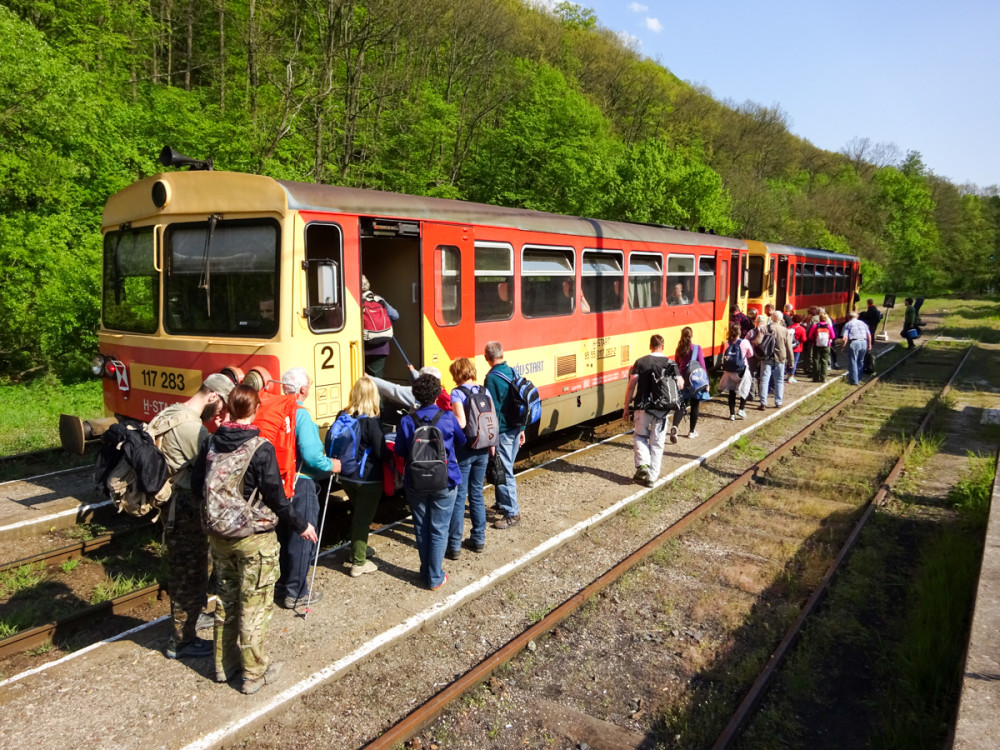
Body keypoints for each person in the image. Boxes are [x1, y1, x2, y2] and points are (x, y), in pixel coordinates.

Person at [192, 384, 318, 694]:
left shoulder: (210, 442)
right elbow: (276, 496)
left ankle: (224, 665)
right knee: (254, 604)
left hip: (219, 537)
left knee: (226, 600)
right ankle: (253, 673)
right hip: (252, 540)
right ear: (255, 409)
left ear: (229, 409)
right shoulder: (260, 447)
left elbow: (198, 487)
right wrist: (301, 524)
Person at [154, 373, 234, 660]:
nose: (222, 412)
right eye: (222, 405)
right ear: (213, 396)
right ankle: (181, 642)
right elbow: (211, 470)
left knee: (185, 567)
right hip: (185, 507)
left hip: (171, 503)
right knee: (189, 572)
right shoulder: (194, 429)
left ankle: (189, 622)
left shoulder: (171, 413)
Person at [394, 373, 466, 589]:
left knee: (421, 527)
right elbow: (461, 441)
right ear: (437, 395)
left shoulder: (407, 420)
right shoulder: (448, 417)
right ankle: (434, 577)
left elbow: (399, 450)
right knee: (439, 528)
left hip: (416, 481)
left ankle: (426, 571)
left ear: (416, 395)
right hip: (446, 479)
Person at [274, 367, 338, 609]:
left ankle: (282, 583)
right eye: (309, 386)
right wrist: (331, 464)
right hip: (300, 481)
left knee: (282, 534)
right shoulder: (301, 414)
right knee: (303, 536)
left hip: (278, 482)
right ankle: (297, 592)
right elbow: (311, 455)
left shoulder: (275, 410)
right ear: (302, 390)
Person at [337, 376, 392, 578]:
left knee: (358, 514)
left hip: (345, 476)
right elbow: (380, 453)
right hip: (367, 479)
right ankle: (358, 563)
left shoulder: (342, 415)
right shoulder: (372, 422)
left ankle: (358, 549)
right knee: (362, 519)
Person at [622, 334, 684, 486]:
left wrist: (626, 406)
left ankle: (643, 464)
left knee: (640, 436)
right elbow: (680, 384)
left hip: (642, 408)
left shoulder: (641, 362)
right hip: (661, 410)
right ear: (662, 346)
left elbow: (632, 384)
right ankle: (651, 478)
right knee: (657, 443)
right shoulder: (671, 363)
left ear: (650, 346)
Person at [447, 357, 493, 556]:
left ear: (457, 374)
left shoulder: (457, 393)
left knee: (459, 496)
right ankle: (479, 538)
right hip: (483, 446)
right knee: (476, 493)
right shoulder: (485, 390)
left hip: (465, 449)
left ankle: (455, 545)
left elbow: (462, 423)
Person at [483, 341, 524, 529]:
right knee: (503, 468)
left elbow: (492, 410)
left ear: (487, 358)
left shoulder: (491, 378)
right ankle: (501, 503)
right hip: (516, 428)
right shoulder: (511, 371)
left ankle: (512, 512)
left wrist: (490, 437)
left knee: (504, 470)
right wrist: (522, 429)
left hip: (504, 431)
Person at [362, 275, 400, 379]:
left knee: (364, 382)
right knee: (377, 382)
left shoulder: (356, 300)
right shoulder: (378, 299)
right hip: (381, 348)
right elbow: (395, 315)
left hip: (365, 347)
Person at [757, 311, 794, 410]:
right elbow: (789, 347)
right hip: (780, 357)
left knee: (764, 380)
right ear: (781, 320)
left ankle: (763, 403)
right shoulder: (785, 330)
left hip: (766, 357)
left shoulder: (764, 329)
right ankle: (778, 402)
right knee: (779, 379)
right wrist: (791, 361)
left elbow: (758, 342)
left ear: (771, 318)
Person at [674, 327, 707, 438]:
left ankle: (675, 427)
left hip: (683, 381)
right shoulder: (697, 348)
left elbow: (676, 365)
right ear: (691, 336)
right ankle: (691, 432)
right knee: (695, 405)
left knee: (681, 405)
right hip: (694, 381)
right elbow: (702, 366)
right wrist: (706, 382)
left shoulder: (679, 349)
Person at [718, 322, 755, 420]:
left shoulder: (726, 343)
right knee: (745, 389)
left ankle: (732, 414)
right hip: (742, 370)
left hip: (729, 371)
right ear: (739, 332)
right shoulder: (745, 342)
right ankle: (741, 409)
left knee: (731, 392)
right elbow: (751, 354)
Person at [841, 310, 872, 386]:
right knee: (861, 361)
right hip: (864, 342)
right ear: (856, 316)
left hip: (854, 343)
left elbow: (844, 338)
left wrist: (843, 347)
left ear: (848, 317)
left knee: (853, 362)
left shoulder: (848, 324)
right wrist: (869, 344)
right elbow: (869, 335)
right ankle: (859, 378)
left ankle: (854, 381)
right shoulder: (863, 323)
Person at [809, 313, 836, 381]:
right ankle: (823, 378)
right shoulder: (828, 326)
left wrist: (814, 340)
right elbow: (833, 336)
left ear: (819, 318)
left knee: (816, 361)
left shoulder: (815, 326)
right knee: (824, 361)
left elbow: (810, 336)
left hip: (816, 345)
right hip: (826, 346)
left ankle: (815, 378)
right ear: (826, 319)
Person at [788, 314, 807, 383]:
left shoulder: (789, 327)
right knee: (794, 362)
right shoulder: (801, 329)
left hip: (789, 348)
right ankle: (791, 376)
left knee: (789, 361)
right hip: (797, 348)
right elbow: (804, 339)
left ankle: (788, 374)